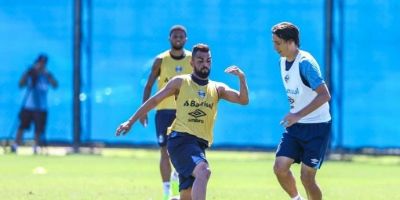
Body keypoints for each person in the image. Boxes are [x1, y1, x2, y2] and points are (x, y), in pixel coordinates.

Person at [116, 43, 249, 200]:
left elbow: (243, 100)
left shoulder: (217, 88)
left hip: (199, 145)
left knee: (187, 195)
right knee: (203, 171)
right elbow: (154, 100)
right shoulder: (180, 82)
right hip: (180, 140)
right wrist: (130, 121)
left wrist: (242, 78)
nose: (205, 64)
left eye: (208, 60)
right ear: (191, 63)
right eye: (200, 60)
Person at [271, 22, 332, 200]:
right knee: (280, 168)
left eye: (278, 43)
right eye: (273, 42)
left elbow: (324, 95)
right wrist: (296, 116)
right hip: (296, 126)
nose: (275, 47)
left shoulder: (306, 63)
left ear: (291, 42)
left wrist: (297, 114)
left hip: (317, 127)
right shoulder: (282, 62)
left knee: (307, 178)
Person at [140, 25, 193, 200]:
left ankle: (179, 190)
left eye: (181, 36)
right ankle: (165, 192)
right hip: (163, 111)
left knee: (182, 150)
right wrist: (143, 111)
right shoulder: (161, 60)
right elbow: (148, 85)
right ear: (169, 39)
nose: (178, 38)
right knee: (164, 150)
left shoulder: (192, 60)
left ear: (186, 39)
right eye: (175, 36)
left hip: (185, 112)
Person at [11, 54, 58, 154]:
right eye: (40, 63)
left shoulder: (47, 75)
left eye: (43, 63)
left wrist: (47, 74)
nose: (41, 65)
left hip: (41, 107)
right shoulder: (31, 74)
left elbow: (55, 85)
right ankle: (15, 145)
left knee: (39, 128)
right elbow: (21, 84)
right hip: (29, 106)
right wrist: (29, 73)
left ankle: (36, 147)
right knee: (22, 126)